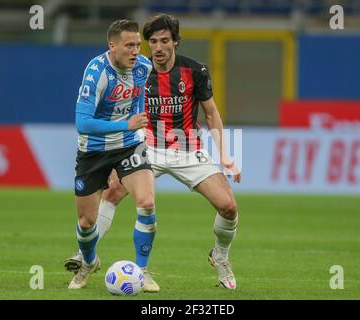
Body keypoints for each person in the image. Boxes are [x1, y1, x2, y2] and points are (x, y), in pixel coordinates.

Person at [65, 13, 241, 291]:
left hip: (187, 148)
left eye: (164, 41)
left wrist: (226, 156)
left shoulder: (195, 71)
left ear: (175, 42)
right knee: (113, 192)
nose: (157, 47)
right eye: (152, 42)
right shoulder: (139, 70)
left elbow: (211, 113)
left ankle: (220, 257)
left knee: (228, 206)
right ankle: (87, 254)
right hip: (148, 145)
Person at [68, 19, 157, 290]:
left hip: (129, 145)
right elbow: (83, 123)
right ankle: (89, 263)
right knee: (86, 223)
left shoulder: (143, 66)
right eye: (129, 45)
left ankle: (141, 271)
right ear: (112, 46)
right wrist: (125, 124)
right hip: (94, 151)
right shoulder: (96, 72)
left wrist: (137, 127)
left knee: (146, 202)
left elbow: (138, 98)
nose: (135, 51)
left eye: (138, 45)